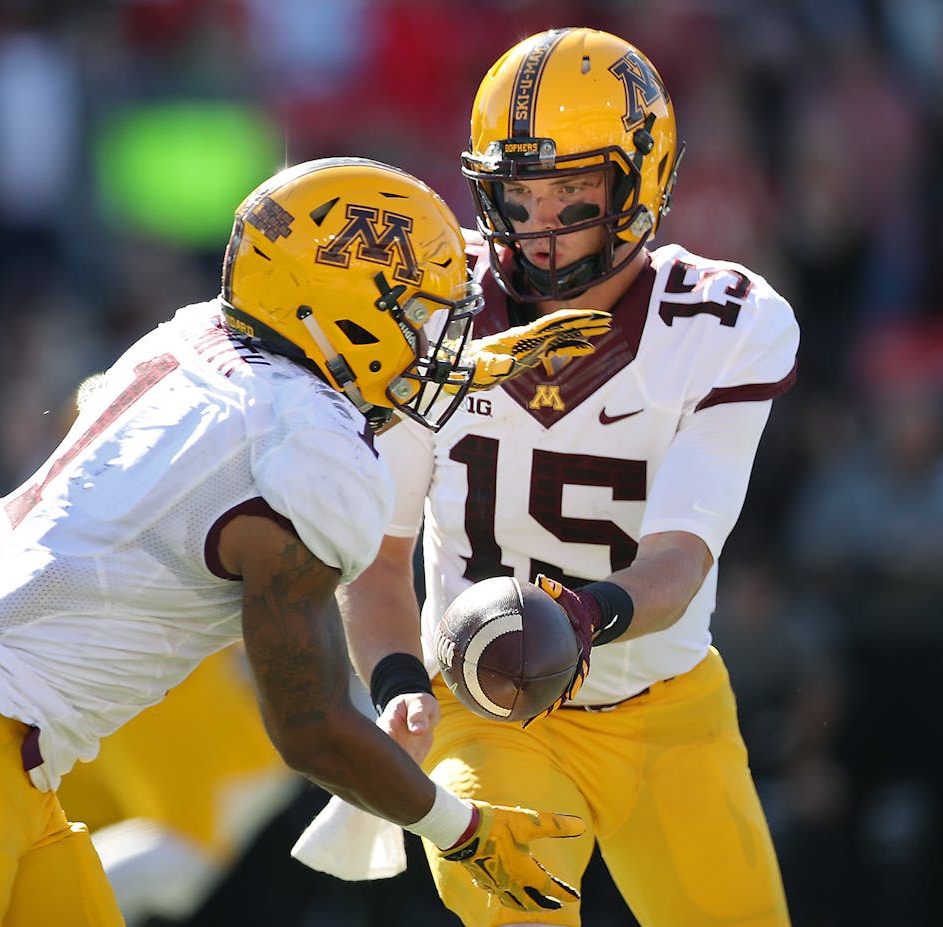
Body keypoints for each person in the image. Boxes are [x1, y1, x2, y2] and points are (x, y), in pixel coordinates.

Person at [0, 156, 612, 925]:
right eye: (416, 317)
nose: (436, 347)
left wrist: (479, 368)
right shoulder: (305, 453)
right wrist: (464, 831)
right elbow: (314, 726)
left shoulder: (203, 337)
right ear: (345, 315)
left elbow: (282, 398)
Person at [336, 28, 799, 927]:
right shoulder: (428, 306)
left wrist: (577, 617)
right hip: (486, 707)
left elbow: (678, 557)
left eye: (571, 192)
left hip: (667, 705)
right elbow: (381, 562)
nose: (538, 225)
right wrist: (398, 687)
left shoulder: (723, 322)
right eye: (518, 193)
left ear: (642, 178)